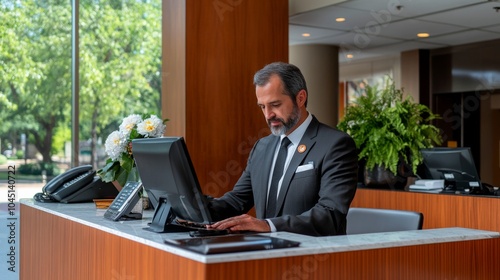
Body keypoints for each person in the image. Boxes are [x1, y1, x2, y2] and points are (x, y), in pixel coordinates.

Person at [207, 62, 358, 236]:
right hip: (264, 254)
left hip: (312, 255)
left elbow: (330, 215)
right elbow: (236, 202)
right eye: (262, 107)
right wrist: (190, 204)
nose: (268, 115)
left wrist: (268, 226)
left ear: (300, 98)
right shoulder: (262, 147)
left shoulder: (336, 144)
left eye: (275, 105)